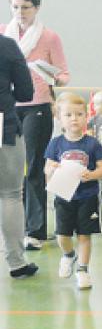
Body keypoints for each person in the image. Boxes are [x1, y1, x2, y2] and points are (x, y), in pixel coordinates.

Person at [2, 0, 70, 251]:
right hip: (6, 107)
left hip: (37, 105)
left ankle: (35, 230)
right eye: (16, 7)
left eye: (26, 7)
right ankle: (11, 232)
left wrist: (52, 76)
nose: (20, 12)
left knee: (31, 168)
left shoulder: (49, 37)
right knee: (7, 171)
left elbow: (64, 75)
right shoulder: (3, 35)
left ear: (36, 8)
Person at [43, 92, 102, 290]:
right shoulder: (56, 143)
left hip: (87, 197)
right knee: (62, 235)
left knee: (84, 236)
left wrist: (93, 174)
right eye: (69, 115)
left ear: (85, 116)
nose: (74, 119)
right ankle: (69, 255)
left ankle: (83, 269)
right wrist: (51, 170)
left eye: (79, 114)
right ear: (59, 118)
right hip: (64, 196)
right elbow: (47, 168)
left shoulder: (92, 143)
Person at [0, 30, 37, 279]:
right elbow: (25, 93)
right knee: (10, 194)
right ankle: (16, 263)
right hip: (4, 123)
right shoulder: (7, 45)